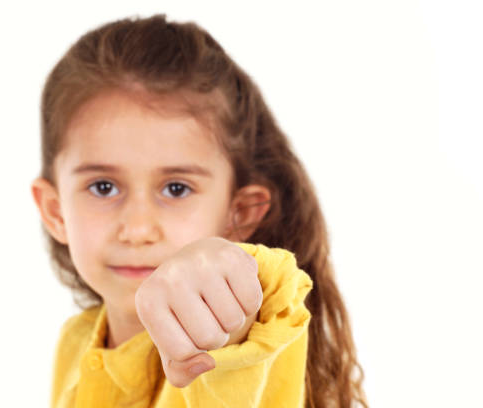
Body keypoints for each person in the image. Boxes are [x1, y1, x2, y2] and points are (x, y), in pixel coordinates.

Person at [31, 13, 368, 408]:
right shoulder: (77, 340)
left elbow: (254, 307)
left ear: (238, 214)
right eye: (103, 187)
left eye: (176, 189)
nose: (138, 229)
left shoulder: (244, 339)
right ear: (55, 212)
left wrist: (235, 323)